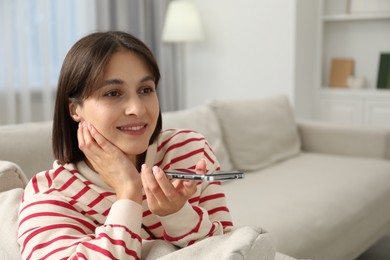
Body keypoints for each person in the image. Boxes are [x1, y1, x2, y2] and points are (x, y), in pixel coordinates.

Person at [17, 31, 233, 259]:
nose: (138, 109)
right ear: (75, 110)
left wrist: (178, 214)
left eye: (145, 90)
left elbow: (233, 249)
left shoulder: (188, 150)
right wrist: (128, 191)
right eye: (113, 93)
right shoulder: (51, 193)